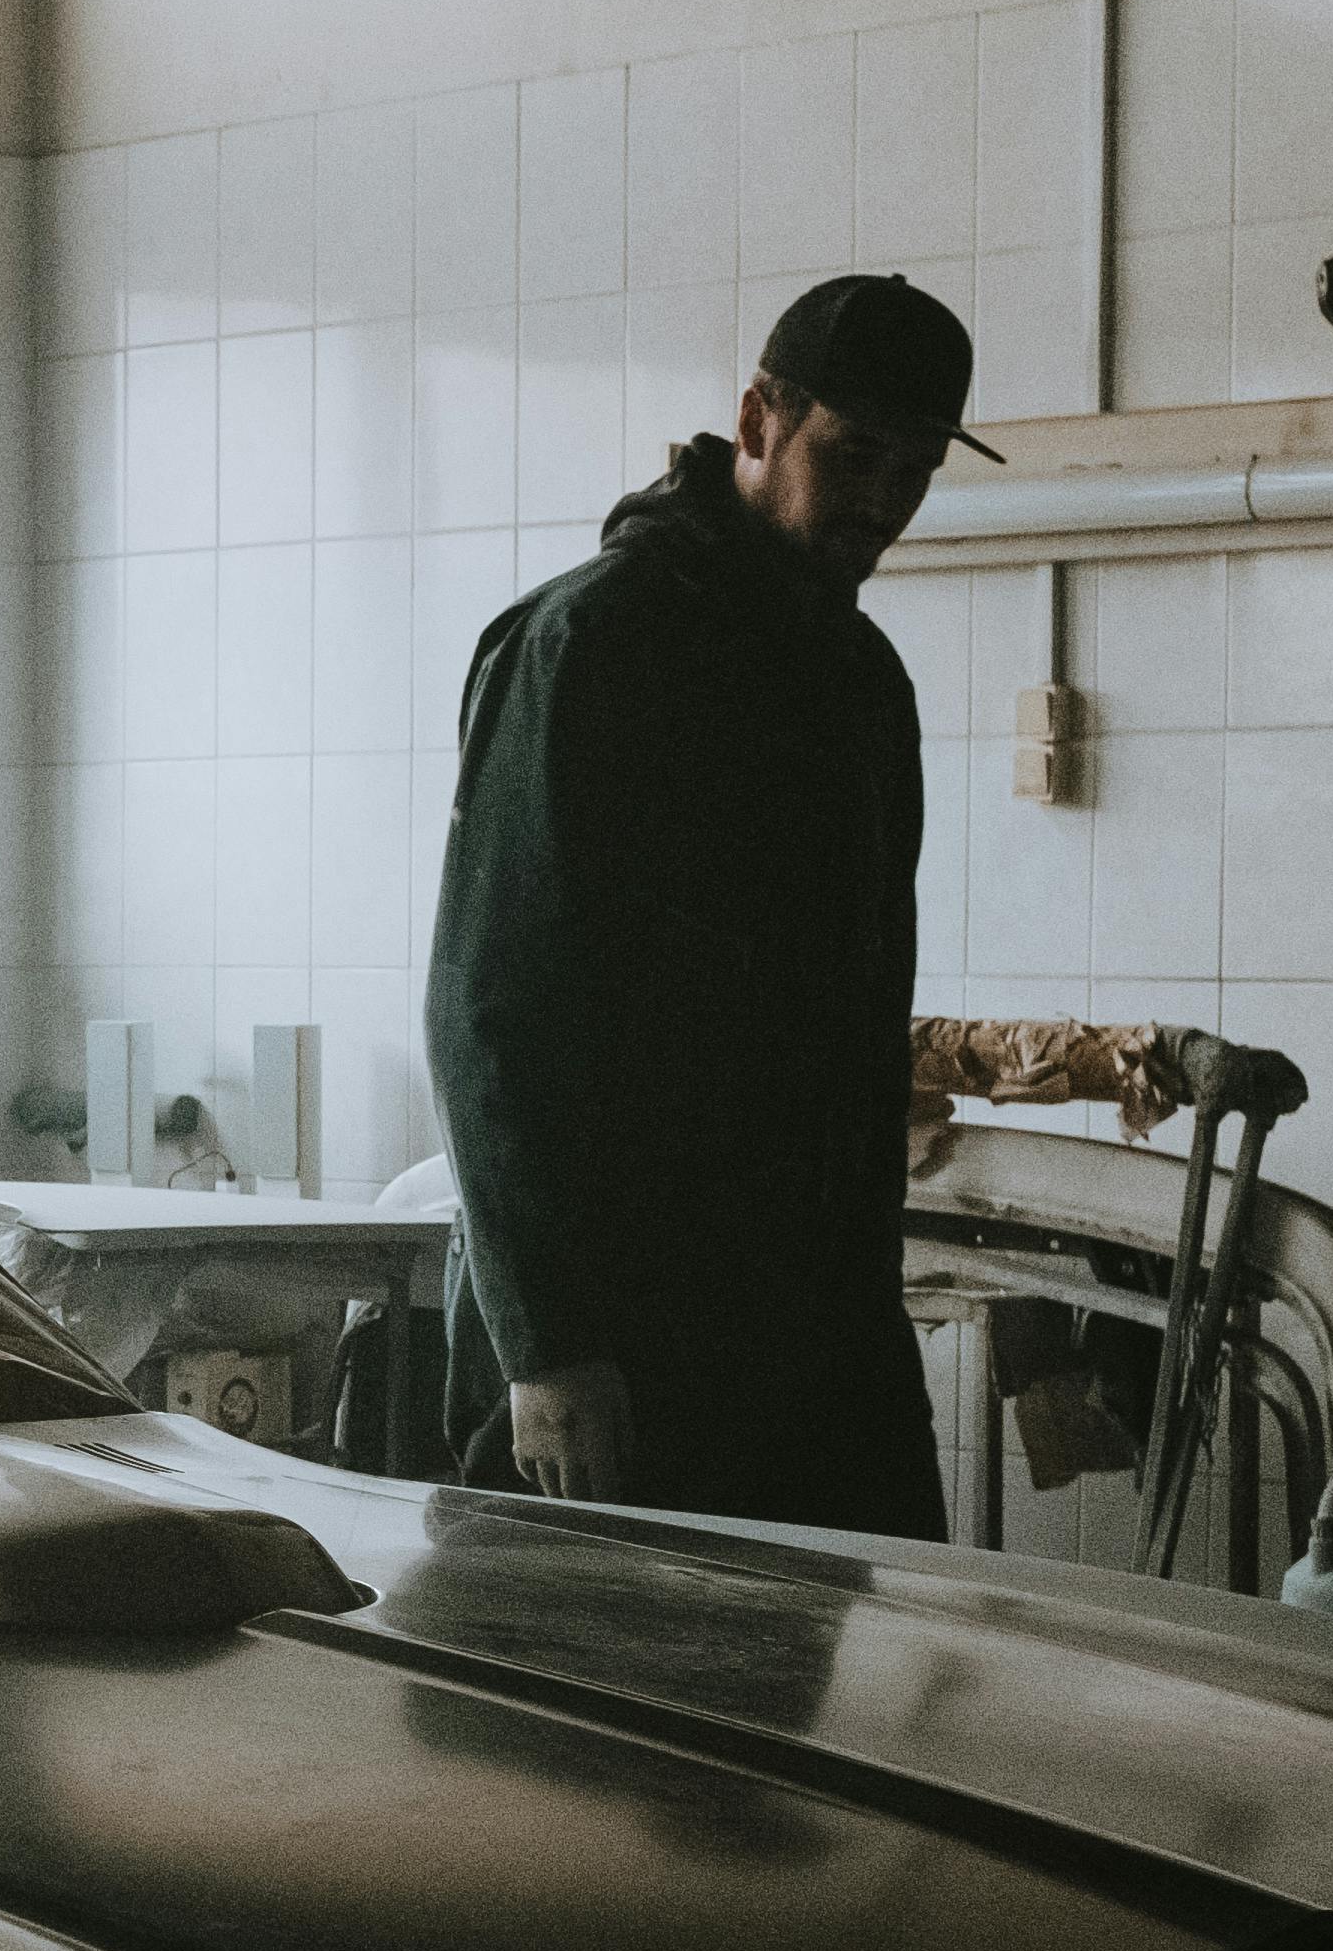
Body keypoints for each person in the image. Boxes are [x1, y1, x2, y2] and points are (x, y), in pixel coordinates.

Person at [424, 271, 996, 1533]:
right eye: (855, 454)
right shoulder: (593, 643)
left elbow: (853, 1023)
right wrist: (548, 1345)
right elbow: (489, 1012)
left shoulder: (861, 682)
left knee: (829, 1715)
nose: (886, 500)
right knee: (591, 1722)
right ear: (757, 421)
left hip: (820, 1350)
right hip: (617, 1360)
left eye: (915, 470)